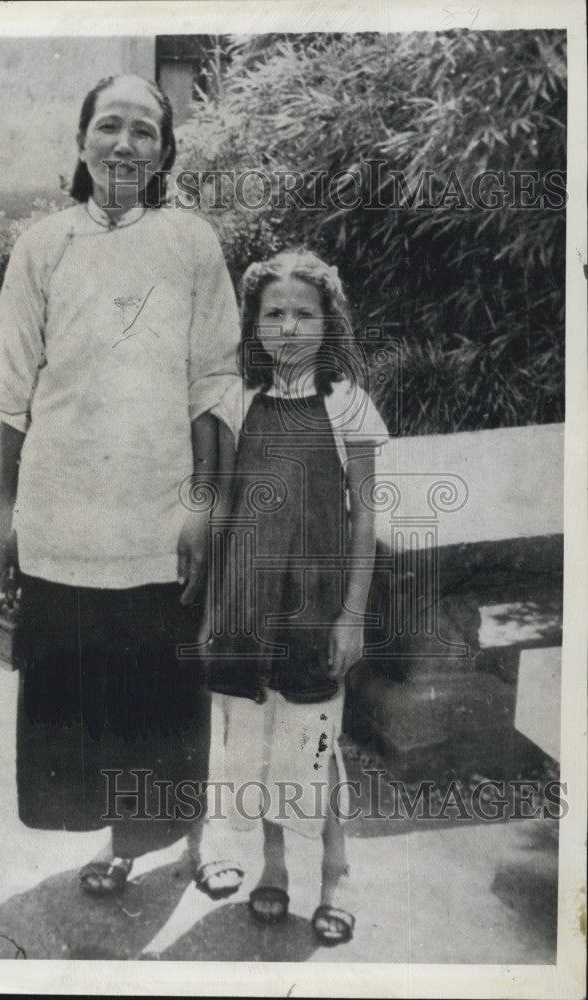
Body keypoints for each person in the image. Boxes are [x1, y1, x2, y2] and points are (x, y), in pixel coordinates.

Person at [0, 74, 240, 895]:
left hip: (161, 517)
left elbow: (212, 384)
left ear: (165, 153)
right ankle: (116, 841)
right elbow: (11, 392)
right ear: (82, 140)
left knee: (165, 693)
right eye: (109, 127)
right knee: (84, 697)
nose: (125, 145)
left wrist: (201, 508)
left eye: (145, 133)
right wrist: (7, 518)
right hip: (63, 516)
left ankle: (187, 830)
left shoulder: (191, 243)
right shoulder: (42, 246)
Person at [195, 249, 388, 945]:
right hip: (245, 606)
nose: (286, 326)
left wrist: (352, 616)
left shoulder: (347, 405)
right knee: (258, 740)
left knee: (312, 744)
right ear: (251, 324)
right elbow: (216, 504)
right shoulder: (233, 402)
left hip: (316, 607)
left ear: (327, 322)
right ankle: (273, 864)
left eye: (303, 313)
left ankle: (335, 870)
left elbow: (365, 517)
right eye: (272, 312)